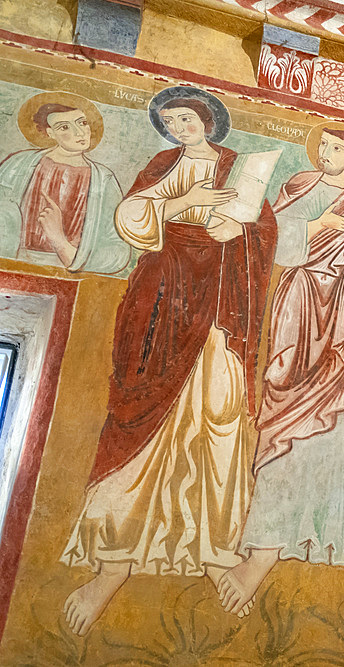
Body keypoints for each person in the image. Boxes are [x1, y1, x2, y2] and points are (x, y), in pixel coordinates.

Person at [60, 87, 278, 636]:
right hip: (162, 294)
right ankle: (112, 566)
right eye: (173, 120)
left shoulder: (237, 168)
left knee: (221, 417)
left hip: (219, 303)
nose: (181, 127)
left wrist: (242, 228)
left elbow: (265, 230)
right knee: (141, 415)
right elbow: (132, 219)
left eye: (189, 118)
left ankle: (213, 547)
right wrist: (181, 204)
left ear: (208, 120)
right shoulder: (163, 164)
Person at [217, 123, 344, 624]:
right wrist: (321, 226)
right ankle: (261, 553)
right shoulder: (298, 187)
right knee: (287, 424)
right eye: (322, 145)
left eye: (338, 147)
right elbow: (270, 243)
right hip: (302, 312)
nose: (327, 153)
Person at [0, 93, 130, 274]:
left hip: (69, 275)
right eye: (64, 127)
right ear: (49, 133)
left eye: (82, 123)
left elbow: (119, 252)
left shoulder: (104, 179)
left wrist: (60, 242)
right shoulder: (18, 164)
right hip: (12, 267)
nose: (79, 132)